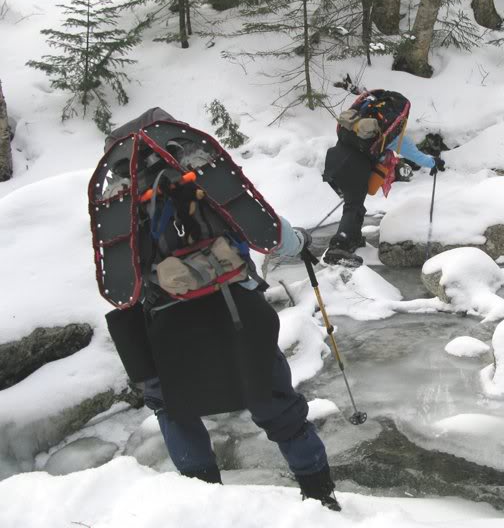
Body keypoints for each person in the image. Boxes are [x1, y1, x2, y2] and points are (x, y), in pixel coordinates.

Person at [99, 109, 341, 511]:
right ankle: (320, 500)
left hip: (168, 324)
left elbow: (120, 287)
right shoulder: (205, 178)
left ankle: (206, 504)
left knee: (174, 409)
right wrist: (299, 242)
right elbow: (268, 232)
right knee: (276, 404)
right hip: (237, 311)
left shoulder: (120, 204)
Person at [322, 112, 445, 265]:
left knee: (355, 204)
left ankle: (353, 239)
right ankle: (339, 246)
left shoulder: (359, 127)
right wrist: (434, 163)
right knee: (353, 205)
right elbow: (417, 156)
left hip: (334, 162)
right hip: (354, 167)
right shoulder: (390, 135)